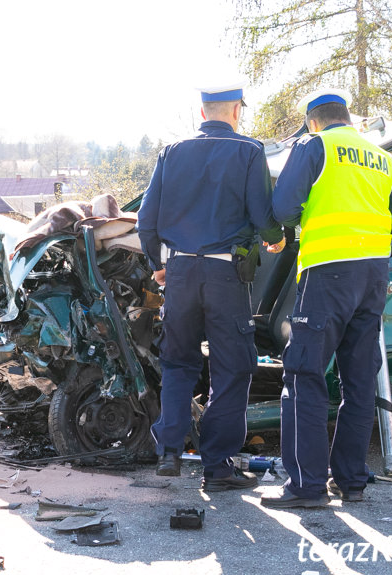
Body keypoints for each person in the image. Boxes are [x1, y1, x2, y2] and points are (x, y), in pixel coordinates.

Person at [261, 88, 392, 508]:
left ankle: (307, 486)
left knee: (304, 374)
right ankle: (351, 482)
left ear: (313, 120)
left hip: (328, 272)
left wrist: (306, 218)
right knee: (359, 378)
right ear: (347, 116)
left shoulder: (316, 147)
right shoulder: (382, 157)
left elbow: (282, 209)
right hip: (372, 276)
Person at [137, 78, 286, 491]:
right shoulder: (249, 151)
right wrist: (276, 237)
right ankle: (218, 468)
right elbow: (261, 214)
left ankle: (169, 452)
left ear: (202, 113)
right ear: (237, 111)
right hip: (225, 275)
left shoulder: (172, 152)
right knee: (232, 368)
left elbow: (146, 221)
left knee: (178, 362)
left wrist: (158, 265)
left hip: (180, 273)